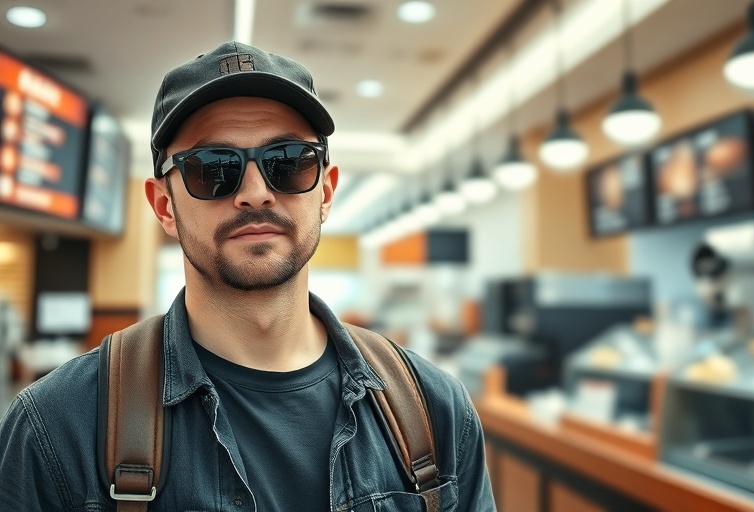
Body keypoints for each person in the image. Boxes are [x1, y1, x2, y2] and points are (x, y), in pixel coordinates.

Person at [0, 41, 496, 511]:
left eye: (289, 162)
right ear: (164, 206)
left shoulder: (435, 410)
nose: (256, 193)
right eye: (213, 167)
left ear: (324, 192)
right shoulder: (56, 428)